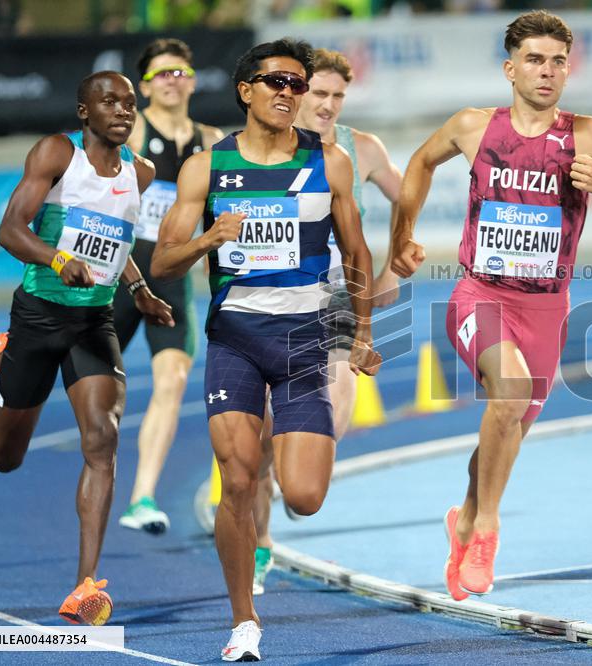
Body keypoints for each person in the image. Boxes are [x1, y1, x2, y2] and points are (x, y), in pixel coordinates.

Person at [390, 10, 592, 601]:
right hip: (479, 294)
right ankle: (485, 531)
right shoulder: (474, 126)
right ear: (511, 68)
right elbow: (420, 164)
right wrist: (400, 233)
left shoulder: (585, 134)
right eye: (535, 59)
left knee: (503, 434)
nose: (547, 71)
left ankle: (465, 517)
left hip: (547, 311)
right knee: (506, 396)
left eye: (558, 61)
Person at [150, 38, 381, 662]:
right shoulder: (206, 168)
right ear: (245, 89)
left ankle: (280, 485)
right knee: (238, 480)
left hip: (307, 339)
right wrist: (210, 241)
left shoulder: (329, 163)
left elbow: (358, 253)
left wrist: (360, 334)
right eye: (276, 81)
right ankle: (243, 623)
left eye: (297, 84)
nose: (288, 92)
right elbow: (161, 260)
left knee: (304, 496)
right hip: (236, 341)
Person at [0, 71, 174, 625]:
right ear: (83, 113)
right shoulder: (56, 155)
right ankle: (7, 360)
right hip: (39, 316)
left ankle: (84, 586)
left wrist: (138, 290)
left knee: (103, 435)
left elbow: (115, 242)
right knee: (4, 458)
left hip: (95, 320)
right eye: (108, 102)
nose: (122, 111)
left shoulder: (141, 171)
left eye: (130, 104)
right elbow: (10, 230)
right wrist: (58, 260)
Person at [249, 47, 404, 595]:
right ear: (296, 90)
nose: (329, 105)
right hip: (274, 298)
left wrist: (394, 265)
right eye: (320, 94)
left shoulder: (362, 149)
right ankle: (261, 545)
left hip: (340, 294)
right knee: (263, 430)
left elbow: (408, 195)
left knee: (336, 412)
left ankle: (299, 471)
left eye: (338, 96)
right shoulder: (269, 145)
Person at [114, 38, 224, 535]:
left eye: (180, 71)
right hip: (117, 272)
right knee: (82, 379)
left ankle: (142, 498)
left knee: (172, 381)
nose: (172, 80)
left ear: (193, 79)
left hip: (171, 281)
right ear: (145, 86)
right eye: (161, 74)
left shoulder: (213, 139)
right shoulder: (132, 129)